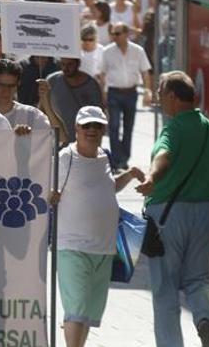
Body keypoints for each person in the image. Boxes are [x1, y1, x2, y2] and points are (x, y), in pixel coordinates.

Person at [50, 106, 144, 347]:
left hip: (104, 248)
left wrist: (130, 174)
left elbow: (109, 187)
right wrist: (51, 196)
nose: (92, 130)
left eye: (97, 126)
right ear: (77, 128)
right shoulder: (65, 158)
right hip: (72, 246)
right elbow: (45, 192)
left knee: (89, 314)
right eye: (87, 125)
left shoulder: (105, 155)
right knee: (76, 309)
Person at [135, 71, 209, 347]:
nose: (158, 100)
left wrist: (151, 178)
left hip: (170, 217)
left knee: (165, 286)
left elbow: (163, 155)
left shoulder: (173, 128)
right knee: (199, 279)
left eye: (159, 94)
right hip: (206, 213)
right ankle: (205, 318)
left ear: (172, 97)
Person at [98, 22, 153, 168]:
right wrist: (103, 94)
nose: (114, 36)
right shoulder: (107, 51)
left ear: (126, 34)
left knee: (129, 126)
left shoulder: (138, 50)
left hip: (131, 93)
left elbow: (145, 72)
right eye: (113, 33)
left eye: (117, 33)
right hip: (114, 93)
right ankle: (116, 159)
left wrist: (148, 91)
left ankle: (124, 158)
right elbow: (102, 73)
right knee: (114, 126)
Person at [40, 58, 104, 145]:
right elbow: (42, 109)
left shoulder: (91, 85)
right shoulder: (52, 80)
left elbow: (99, 117)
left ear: (78, 64)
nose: (65, 68)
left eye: (70, 64)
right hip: (58, 139)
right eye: (63, 64)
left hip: (83, 141)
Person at [0, 59, 50, 129]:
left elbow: (60, 136)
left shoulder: (31, 114)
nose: (6, 91)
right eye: (1, 85)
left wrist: (46, 102)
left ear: (18, 84)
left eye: (11, 86)